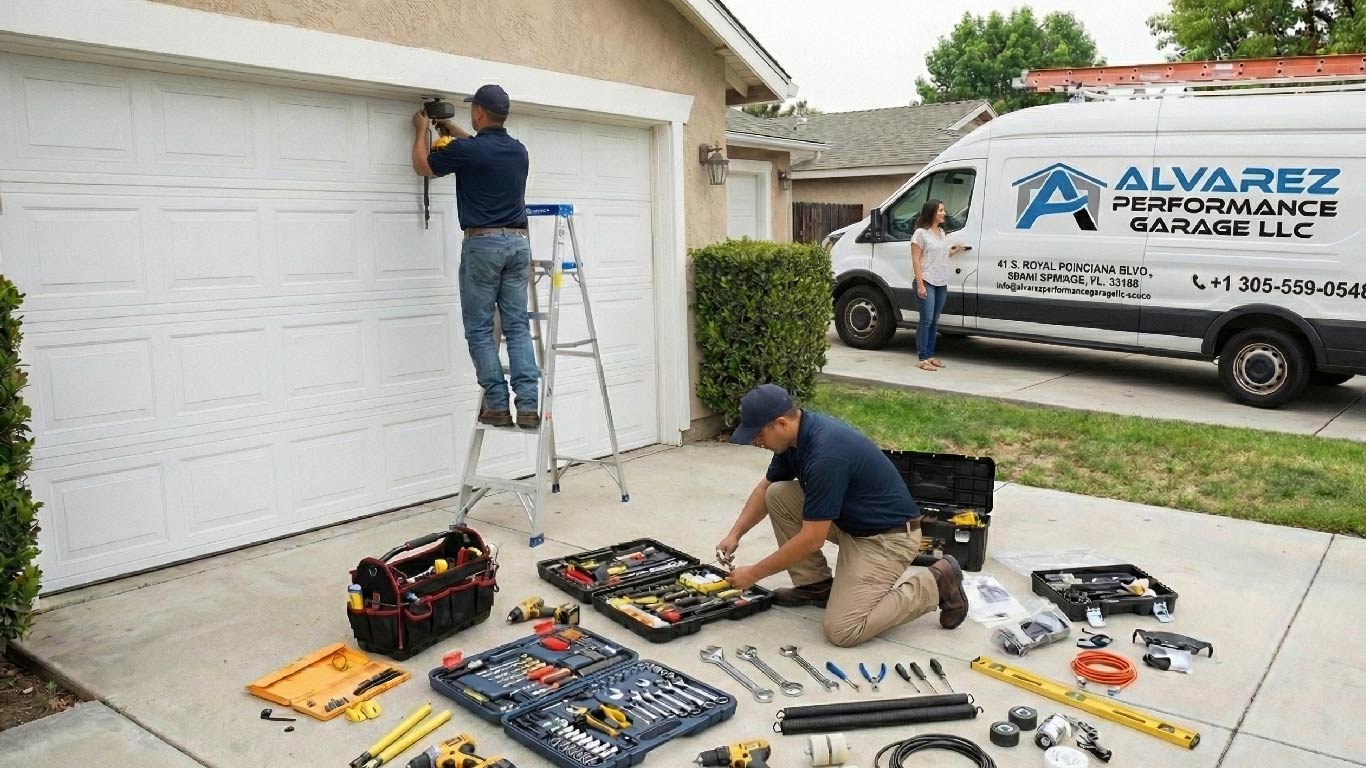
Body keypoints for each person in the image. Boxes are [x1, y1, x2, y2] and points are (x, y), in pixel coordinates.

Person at [716, 383, 968, 648]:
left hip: (886, 539)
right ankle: (816, 585)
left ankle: (937, 582)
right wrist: (735, 534)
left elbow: (812, 539)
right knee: (778, 494)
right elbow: (765, 487)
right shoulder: (794, 440)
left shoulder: (825, 454)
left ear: (780, 423)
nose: (757, 442)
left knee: (843, 630)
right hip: (851, 522)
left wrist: (754, 574)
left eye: (759, 435)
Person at [412, 84, 538, 429]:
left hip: (483, 246)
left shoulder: (469, 151)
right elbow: (478, 149)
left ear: (480, 112)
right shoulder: (518, 150)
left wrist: (422, 130)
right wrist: (452, 130)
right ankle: (528, 406)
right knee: (516, 327)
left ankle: (496, 405)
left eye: (473, 110)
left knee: (481, 330)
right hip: (518, 243)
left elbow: (424, 166)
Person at [910, 199, 969, 372]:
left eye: (943, 210)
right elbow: (916, 259)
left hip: (941, 282)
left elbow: (940, 256)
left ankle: (930, 355)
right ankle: (922, 358)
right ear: (932, 213)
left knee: (934, 321)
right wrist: (920, 284)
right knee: (926, 320)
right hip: (926, 281)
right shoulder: (920, 234)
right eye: (941, 210)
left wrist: (955, 250)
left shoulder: (942, 233)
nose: (944, 213)